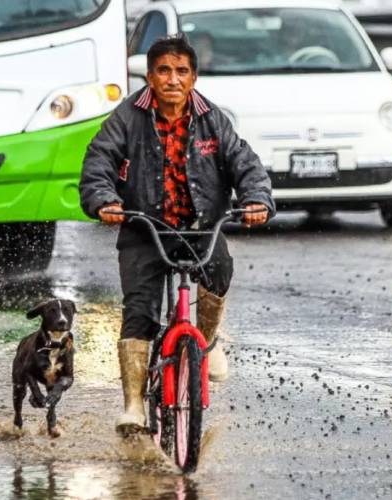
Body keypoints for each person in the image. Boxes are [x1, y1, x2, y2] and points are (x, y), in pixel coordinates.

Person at [79, 35, 274, 434]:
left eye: (181, 71)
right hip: (143, 228)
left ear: (194, 77)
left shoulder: (212, 119)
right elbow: (99, 160)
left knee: (219, 270)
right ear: (150, 76)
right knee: (139, 313)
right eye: (164, 71)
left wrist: (256, 199)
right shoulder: (127, 117)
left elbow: (245, 162)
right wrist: (103, 200)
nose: (172, 79)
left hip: (201, 227)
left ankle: (205, 344)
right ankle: (133, 404)